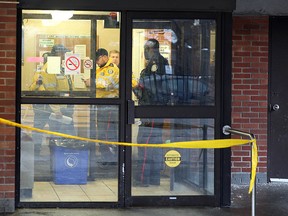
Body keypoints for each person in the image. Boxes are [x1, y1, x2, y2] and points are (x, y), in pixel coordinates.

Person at [133, 39, 170, 187]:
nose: (145, 53)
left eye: (146, 50)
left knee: (145, 143)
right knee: (154, 144)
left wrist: (135, 87)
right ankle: (154, 178)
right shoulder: (161, 63)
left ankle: (142, 179)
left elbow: (150, 90)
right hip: (155, 109)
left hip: (152, 109)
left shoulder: (156, 65)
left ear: (151, 50)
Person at [29, 44, 75, 156]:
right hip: (49, 107)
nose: (65, 56)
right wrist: (57, 110)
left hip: (58, 106)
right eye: (64, 54)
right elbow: (50, 92)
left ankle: (55, 155)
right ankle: (43, 155)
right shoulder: (50, 67)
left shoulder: (59, 67)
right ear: (59, 54)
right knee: (47, 132)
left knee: (56, 133)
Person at [84, 48, 119, 166]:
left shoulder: (111, 70)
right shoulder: (100, 69)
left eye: (98, 59)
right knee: (102, 132)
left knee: (107, 133)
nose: (97, 62)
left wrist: (92, 82)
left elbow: (106, 84)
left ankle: (110, 159)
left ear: (104, 57)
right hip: (101, 105)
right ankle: (106, 158)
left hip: (109, 105)